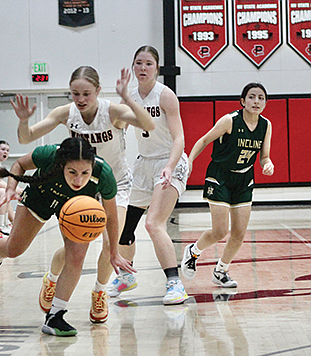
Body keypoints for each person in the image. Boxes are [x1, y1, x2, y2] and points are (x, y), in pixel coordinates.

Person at [11, 66, 154, 319]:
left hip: (115, 183)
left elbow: (149, 124)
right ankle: (52, 278)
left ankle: (99, 293)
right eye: (75, 93)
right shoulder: (66, 113)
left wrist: (127, 97)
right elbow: (27, 138)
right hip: (82, 184)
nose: (81, 99)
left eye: (86, 93)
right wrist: (23, 121)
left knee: (112, 242)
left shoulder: (113, 112)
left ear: (98, 91)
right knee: (76, 247)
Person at [0, 137, 136, 337]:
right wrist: (10, 188)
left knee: (76, 257)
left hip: (78, 207)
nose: (78, 180)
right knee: (14, 249)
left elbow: (112, 217)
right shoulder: (49, 154)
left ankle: (55, 316)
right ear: (62, 165)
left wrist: (113, 251)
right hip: (41, 195)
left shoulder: (104, 174)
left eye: (85, 173)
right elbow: (19, 164)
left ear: (92, 167)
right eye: (72, 172)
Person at [107, 45, 189, 305]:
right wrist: (121, 101)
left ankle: (175, 283)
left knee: (153, 223)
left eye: (148, 64)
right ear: (133, 67)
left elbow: (179, 138)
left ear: (156, 68)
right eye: (138, 63)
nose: (143, 68)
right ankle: (127, 276)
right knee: (124, 226)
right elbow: (117, 126)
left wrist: (170, 166)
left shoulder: (165, 96)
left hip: (169, 161)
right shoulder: (129, 96)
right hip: (143, 164)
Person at [181, 82, 274, 287]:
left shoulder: (266, 125)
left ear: (265, 103)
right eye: (251, 97)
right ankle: (193, 251)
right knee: (220, 231)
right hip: (220, 176)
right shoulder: (230, 121)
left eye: (261, 98)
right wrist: (190, 160)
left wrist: (268, 164)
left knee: (239, 234)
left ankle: (221, 270)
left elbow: (264, 156)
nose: (256, 101)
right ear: (242, 101)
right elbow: (204, 140)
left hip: (244, 179)